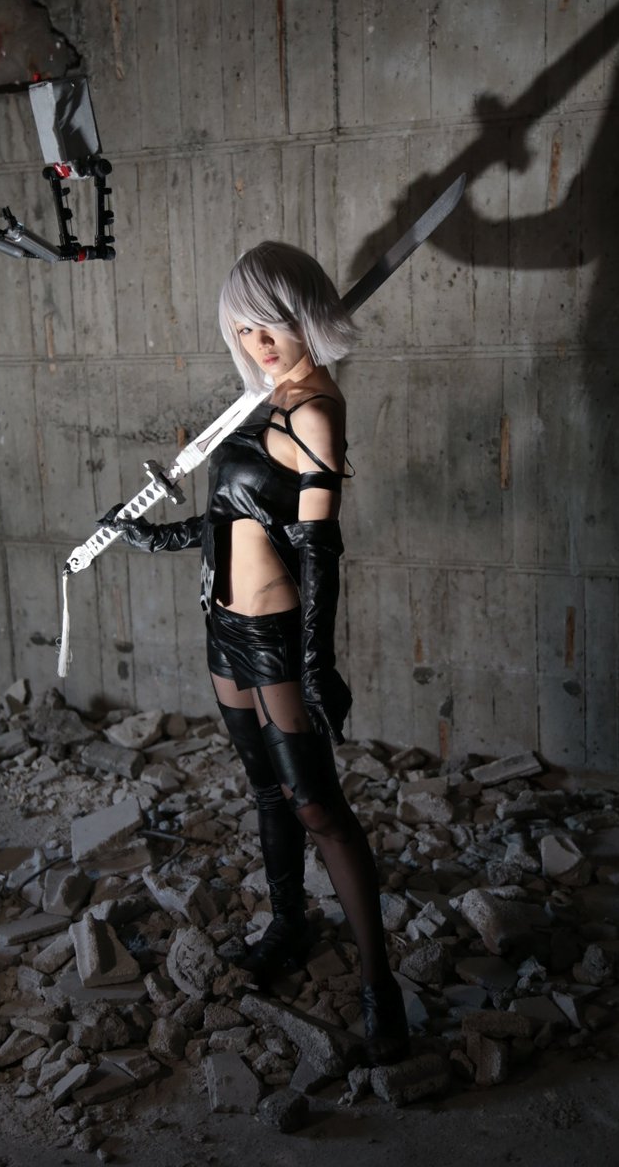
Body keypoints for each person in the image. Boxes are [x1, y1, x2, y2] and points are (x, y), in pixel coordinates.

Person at [100, 241, 409, 1065]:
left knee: (318, 807)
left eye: (270, 324)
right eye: (242, 329)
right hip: (221, 626)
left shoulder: (313, 411)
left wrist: (316, 663)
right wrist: (151, 536)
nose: (258, 342)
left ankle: (380, 987)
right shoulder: (256, 401)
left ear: (305, 314)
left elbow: (318, 553)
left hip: (275, 640)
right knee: (267, 792)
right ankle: (287, 927)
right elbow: (230, 519)